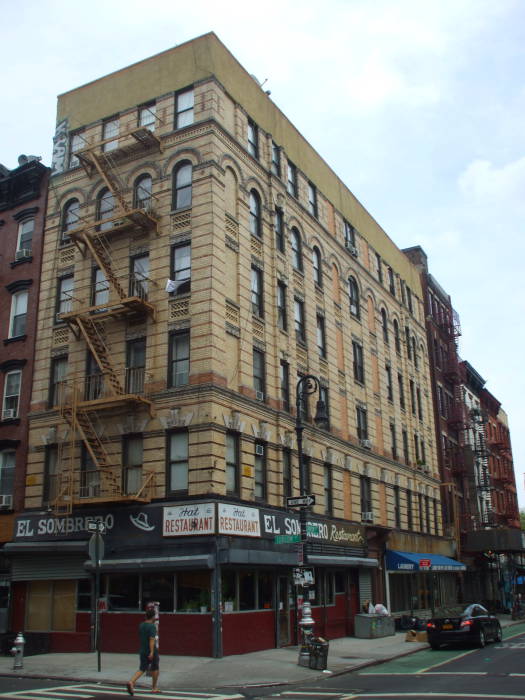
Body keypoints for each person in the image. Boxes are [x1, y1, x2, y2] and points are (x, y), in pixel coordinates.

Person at [126, 607, 160, 695]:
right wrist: (152, 652)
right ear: (153, 617)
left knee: (142, 668)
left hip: (142, 650)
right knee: (155, 668)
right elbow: (152, 640)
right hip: (151, 651)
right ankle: (154, 687)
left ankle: (131, 682)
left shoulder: (141, 625)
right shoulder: (152, 627)